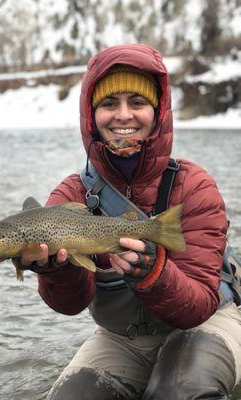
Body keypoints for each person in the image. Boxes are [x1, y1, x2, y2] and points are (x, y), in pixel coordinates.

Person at [17, 44, 241, 399]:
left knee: (177, 392)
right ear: (92, 116)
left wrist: (154, 273)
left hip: (207, 323)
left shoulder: (193, 186)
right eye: (109, 104)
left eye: (137, 102)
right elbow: (70, 305)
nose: (123, 115)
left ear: (157, 111)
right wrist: (53, 271)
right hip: (122, 337)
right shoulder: (72, 193)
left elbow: (199, 304)